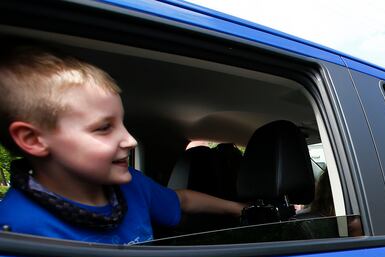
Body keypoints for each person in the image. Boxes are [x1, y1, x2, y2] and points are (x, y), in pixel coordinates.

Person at [0, 47, 245, 244]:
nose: (130, 140)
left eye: (122, 124)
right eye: (104, 128)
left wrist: (238, 208)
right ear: (33, 140)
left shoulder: (130, 184)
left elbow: (182, 200)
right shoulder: (16, 229)